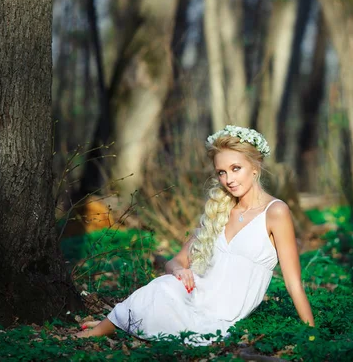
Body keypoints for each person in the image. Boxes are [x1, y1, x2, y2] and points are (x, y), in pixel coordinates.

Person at [75, 125, 314, 343]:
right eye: (221, 172)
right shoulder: (220, 210)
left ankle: (118, 325)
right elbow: (176, 261)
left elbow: (293, 284)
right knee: (163, 287)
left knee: (165, 306)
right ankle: (107, 328)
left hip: (221, 314)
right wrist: (179, 270)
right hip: (192, 297)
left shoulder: (275, 212)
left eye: (235, 169)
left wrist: (312, 334)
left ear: (255, 167)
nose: (228, 180)